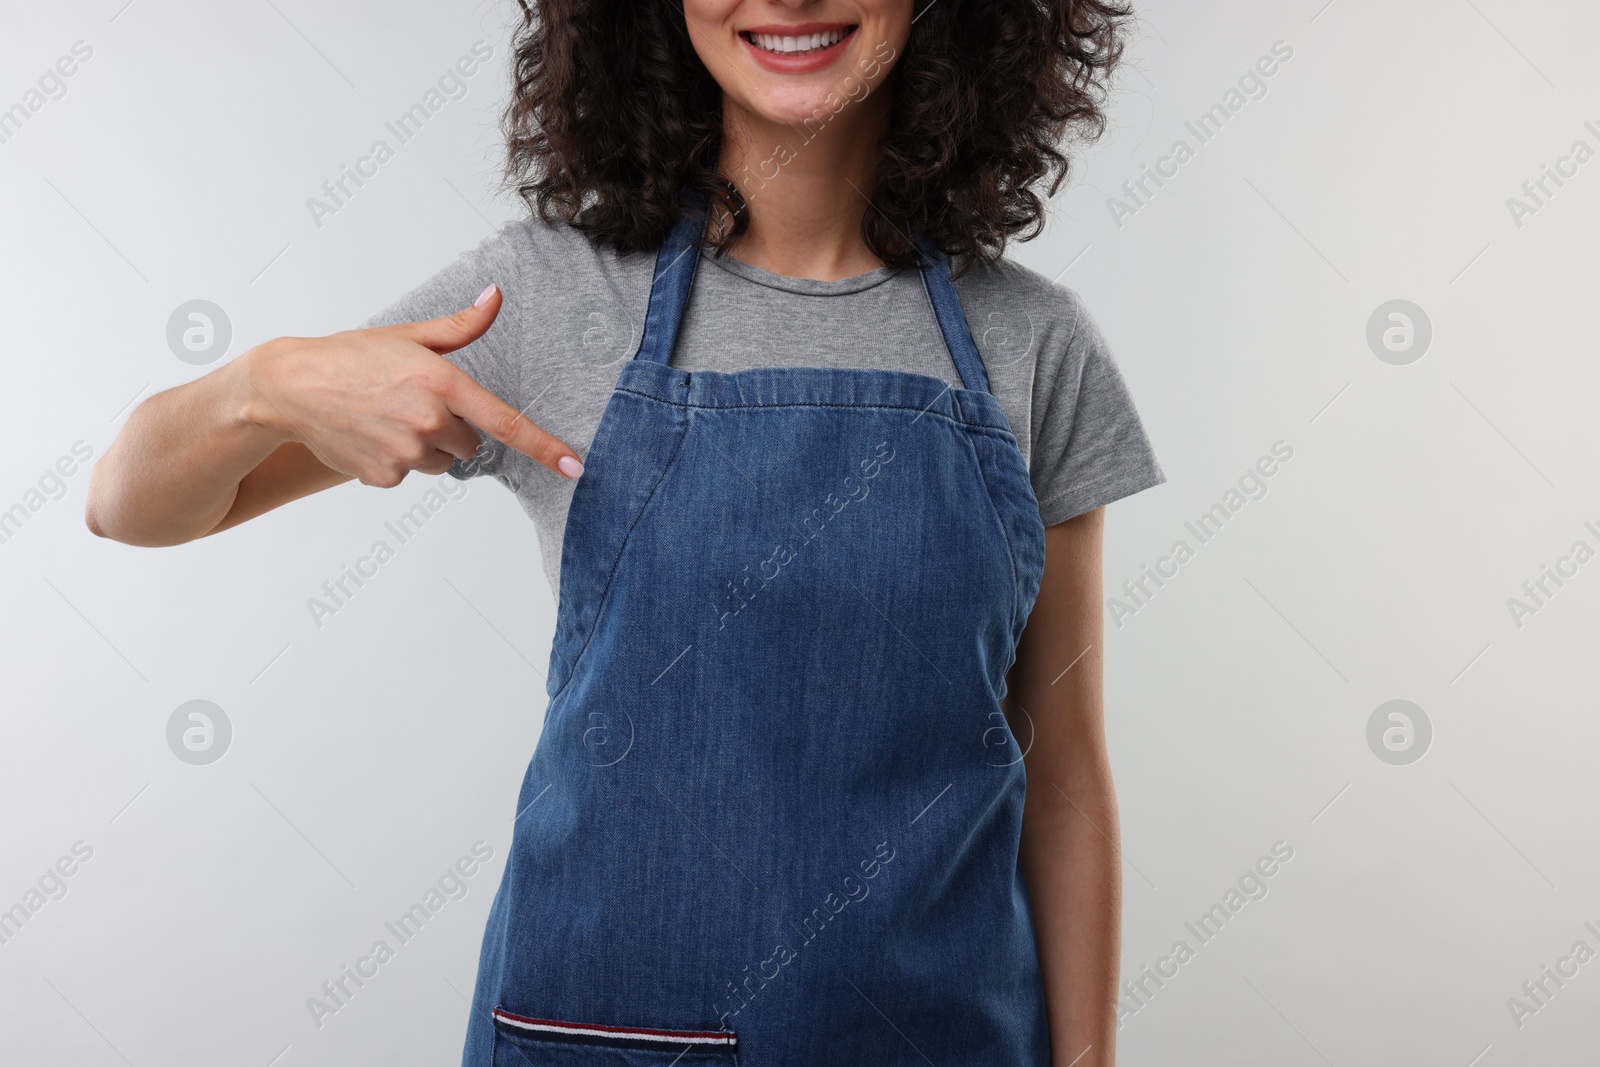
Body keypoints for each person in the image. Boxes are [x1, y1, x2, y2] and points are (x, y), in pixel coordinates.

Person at [86, 1, 1164, 1063]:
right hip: (603, 1030)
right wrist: (261, 384)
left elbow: (1060, 770)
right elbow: (127, 504)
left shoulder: (1032, 341)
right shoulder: (551, 298)